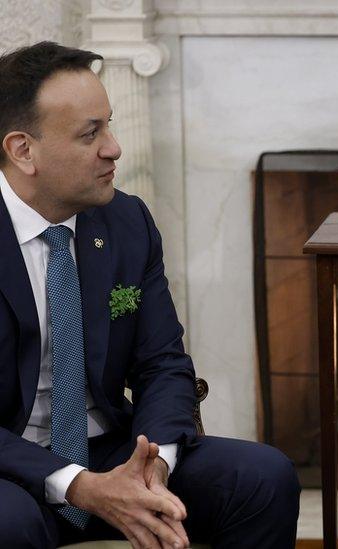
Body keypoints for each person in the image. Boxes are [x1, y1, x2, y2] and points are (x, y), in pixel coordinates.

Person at [0, 42, 300, 548]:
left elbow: (163, 364)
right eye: (90, 133)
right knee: (10, 524)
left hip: (113, 450)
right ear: (23, 150)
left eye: (109, 125)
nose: (114, 148)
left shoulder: (127, 221)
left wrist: (154, 465)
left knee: (263, 477)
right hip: (12, 469)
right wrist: (78, 486)